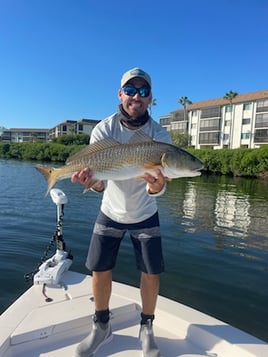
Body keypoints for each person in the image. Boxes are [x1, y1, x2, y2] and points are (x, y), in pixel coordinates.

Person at [72, 67, 172, 357]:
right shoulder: (103, 129)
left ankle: (147, 327)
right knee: (99, 269)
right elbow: (99, 180)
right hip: (110, 210)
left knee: (151, 272)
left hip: (145, 211)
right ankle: (102, 326)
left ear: (150, 98)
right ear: (120, 94)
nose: (136, 97)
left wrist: (156, 187)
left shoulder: (159, 134)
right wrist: (92, 183)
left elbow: (159, 187)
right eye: (130, 90)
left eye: (142, 92)